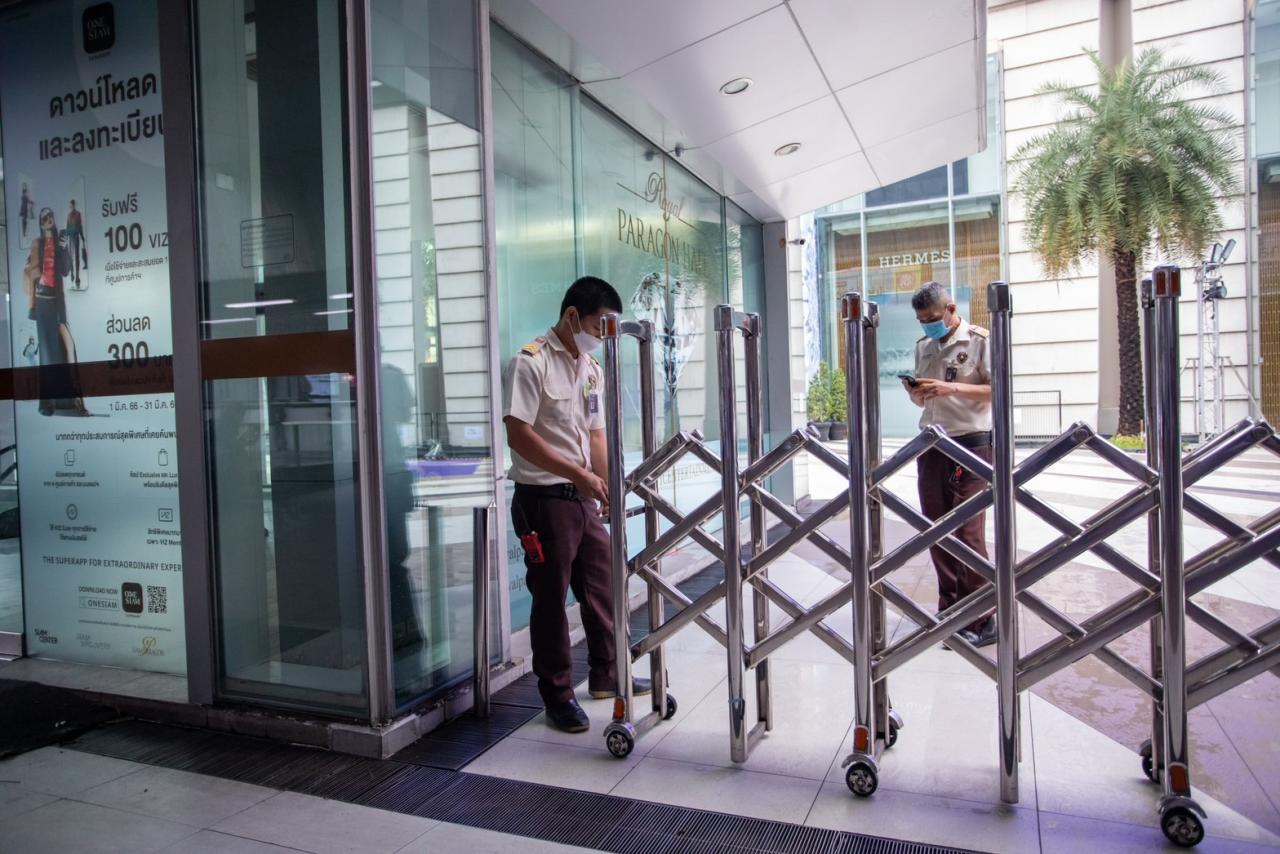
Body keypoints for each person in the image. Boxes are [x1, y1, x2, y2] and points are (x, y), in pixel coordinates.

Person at [503, 276, 650, 733]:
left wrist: (606, 486)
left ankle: (607, 673)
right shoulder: (530, 363)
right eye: (600, 325)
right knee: (551, 599)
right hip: (544, 499)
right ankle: (558, 695)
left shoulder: (590, 368)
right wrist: (578, 475)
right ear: (572, 316)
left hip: (583, 498)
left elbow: (596, 434)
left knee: (603, 585)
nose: (604, 335)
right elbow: (518, 434)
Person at [903, 281, 996, 647]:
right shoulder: (923, 346)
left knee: (968, 532)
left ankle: (983, 618)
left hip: (970, 444)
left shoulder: (979, 341)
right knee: (935, 530)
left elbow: (999, 390)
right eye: (921, 320)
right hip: (932, 445)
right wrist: (917, 393)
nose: (928, 325)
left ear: (951, 309)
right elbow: (925, 403)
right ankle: (951, 611)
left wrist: (951, 388)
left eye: (932, 317)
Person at [24, 207, 88, 416]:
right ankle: (46, 404)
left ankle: (68, 401)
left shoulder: (59, 241)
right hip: (42, 303)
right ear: (41, 223)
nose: (49, 219)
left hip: (57, 302)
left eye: (51, 216)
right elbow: (31, 272)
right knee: (46, 354)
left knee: (66, 346)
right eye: (45, 218)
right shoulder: (37, 243)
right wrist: (33, 299)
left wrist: (63, 249)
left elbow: (66, 270)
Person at [65, 200, 87, 286]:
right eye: (70, 206)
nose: (71, 207)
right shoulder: (68, 215)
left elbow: (80, 226)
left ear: (74, 205)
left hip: (76, 237)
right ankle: (72, 273)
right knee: (71, 257)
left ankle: (77, 276)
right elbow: (67, 227)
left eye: (72, 205)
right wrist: (66, 238)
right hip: (71, 238)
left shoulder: (78, 214)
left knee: (77, 257)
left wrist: (82, 236)